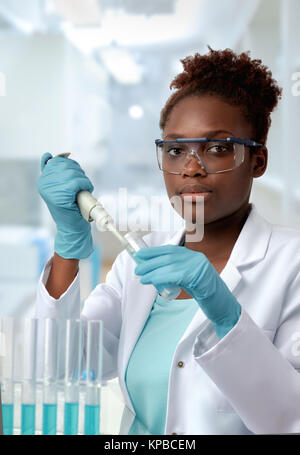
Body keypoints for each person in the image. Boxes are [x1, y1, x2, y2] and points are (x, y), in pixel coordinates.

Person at [36, 46, 300, 435]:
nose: (191, 169)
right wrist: (68, 246)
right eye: (175, 150)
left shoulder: (291, 262)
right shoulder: (137, 262)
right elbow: (63, 368)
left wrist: (228, 318)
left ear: (258, 161)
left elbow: (290, 418)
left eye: (217, 148)